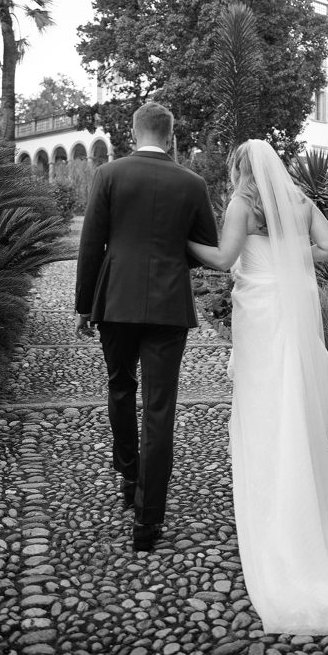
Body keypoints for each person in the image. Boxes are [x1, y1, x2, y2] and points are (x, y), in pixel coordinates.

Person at [187, 140, 328, 634]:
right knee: (292, 403)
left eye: (235, 170)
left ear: (243, 170)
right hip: (291, 305)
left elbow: (222, 259)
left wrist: (182, 241)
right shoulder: (301, 202)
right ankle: (301, 498)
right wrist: (289, 251)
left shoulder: (245, 204)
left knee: (264, 405)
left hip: (261, 314)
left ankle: (274, 511)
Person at [75, 102, 218, 552]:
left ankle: (128, 472)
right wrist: (172, 253)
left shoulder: (110, 175)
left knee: (119, 386)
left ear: (134, 133)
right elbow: (206, 248)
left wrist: (84, 305)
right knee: (159, 408)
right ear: (172, 137)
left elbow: (91, 242)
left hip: (115, 300)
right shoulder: (193, 184)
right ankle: (147, 520)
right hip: (168, 306)